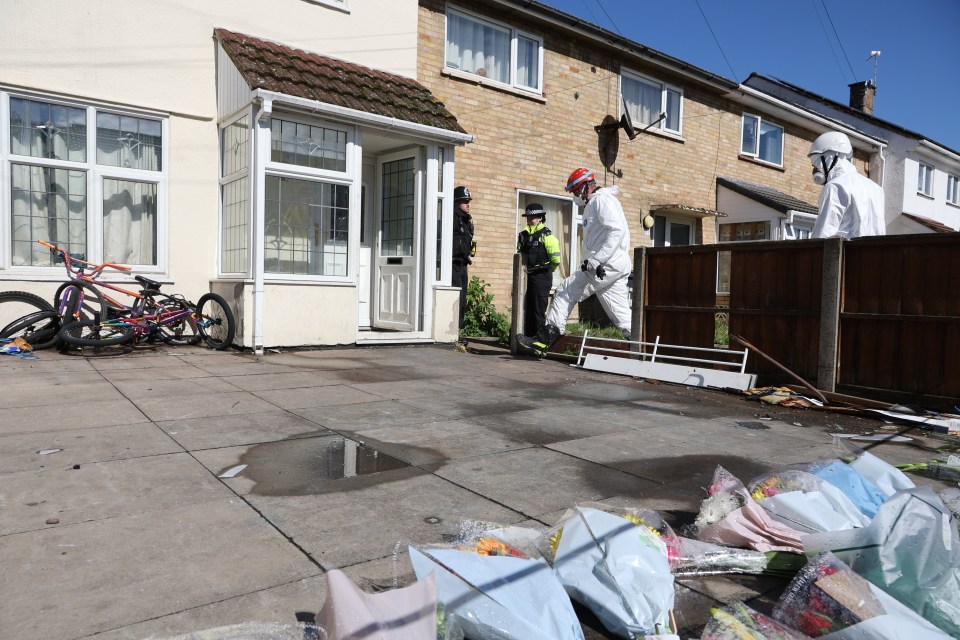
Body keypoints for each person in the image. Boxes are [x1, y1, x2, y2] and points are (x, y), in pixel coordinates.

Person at [516, 168, 632, 357]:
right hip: (611, 265)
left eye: (576, 191)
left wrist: (596, 260)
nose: (575, 196)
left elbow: (616, 231)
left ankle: (543, 339)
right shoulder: (597, 202)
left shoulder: (601, 200)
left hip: (603, 266)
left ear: (586, 186)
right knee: (620, 314)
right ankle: (644, 347)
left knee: (565, 291)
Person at [808, 131, 886, 239]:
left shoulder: (835, 187)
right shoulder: (877, 189)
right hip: (875, 254)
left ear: (829, 158)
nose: (816, 170)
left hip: (845, 254)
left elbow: (823, 234)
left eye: (816, 164)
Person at [517, 203, 562, 335]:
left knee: (538, 310)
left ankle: (539, 340)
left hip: (542, 276)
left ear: (541, 217)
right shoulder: (523, 236)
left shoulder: (547, 236)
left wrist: (546, 270)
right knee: (527, 309)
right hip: (527, 276)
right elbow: (520, 256)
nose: (531, 219)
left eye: (534, 217)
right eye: (529, 217)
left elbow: (556, 260)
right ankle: (527, 338)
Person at [452, 185, 476, 336]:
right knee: (454, 298)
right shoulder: (451, 218)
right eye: (465, 201)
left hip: (463, 264)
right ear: (456, 202)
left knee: (462, 300)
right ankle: (452, 331)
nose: (468, 204)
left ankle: (458, 331)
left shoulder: (467, 220)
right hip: (452, 263)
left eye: (468, 201)